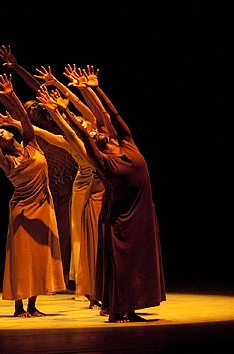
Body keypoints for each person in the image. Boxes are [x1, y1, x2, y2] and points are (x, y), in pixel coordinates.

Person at [43, 66, 166, 323]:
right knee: (120, 263)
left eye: (99, 131)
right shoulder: (102, 161)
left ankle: (131, 307)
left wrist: (94, 88)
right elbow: (77, 135)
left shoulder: (128, 142)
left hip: (142, 213)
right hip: (119, 218)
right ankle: (117, 309)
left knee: (138, 263)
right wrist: (62, 112)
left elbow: (112, 114)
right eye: (95, 135)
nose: (98, 132)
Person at [0, 74, 66, 317]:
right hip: (23, 210)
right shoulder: (7, 162)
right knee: (21, 258)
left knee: (38, 257)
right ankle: (19, 306)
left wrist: (11, 94)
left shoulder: (32, 145)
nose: (0, 134)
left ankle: (33, 304)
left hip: (43, 208)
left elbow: (24, 119)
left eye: (2, 132)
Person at [0, 45, 78, 292]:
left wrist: (16, 67)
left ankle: (65, 277)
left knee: (69, 232)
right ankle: (54, 280)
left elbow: (39, 90)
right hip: (48, 185)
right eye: (28, 109)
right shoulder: (28, 133)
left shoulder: (56, 120)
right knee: (54, 233)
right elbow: (10, 104)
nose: (32, 109)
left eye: (35, 107)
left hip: (71, 180)